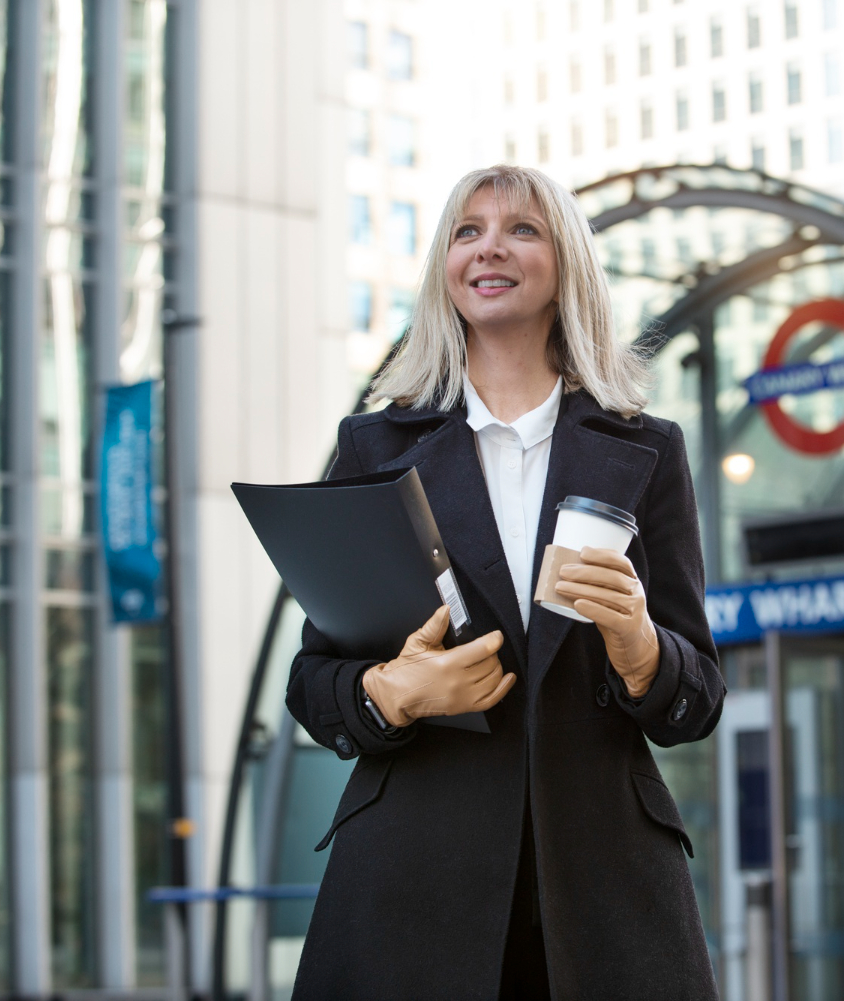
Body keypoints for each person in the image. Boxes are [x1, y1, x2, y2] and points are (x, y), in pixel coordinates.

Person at [285, 164, 725, 1001]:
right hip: (413, 883)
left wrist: (639, 647)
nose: (490, 247)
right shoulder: (373, 448)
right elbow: (314, 684)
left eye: (522, 229)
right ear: (445, 270)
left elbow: (696, 695)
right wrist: (394, 690)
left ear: (566, 266)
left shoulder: (648, 449)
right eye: (467, 231)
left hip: (605, 889)